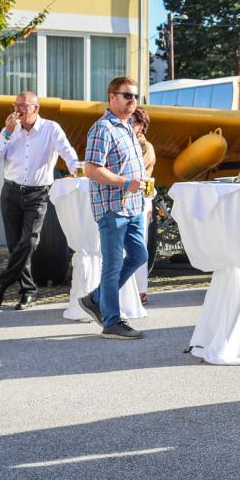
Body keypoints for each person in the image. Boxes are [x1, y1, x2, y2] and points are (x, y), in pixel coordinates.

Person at [0, 91, 80, 311]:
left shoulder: (51, 128)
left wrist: (76, 170)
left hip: (37, 194)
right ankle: (28, 291)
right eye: (15, 105)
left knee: (29, 242)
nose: (17, 110)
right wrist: (6, 134)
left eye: (23, 106)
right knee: (15, 246)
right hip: (10, 193)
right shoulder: (9, 131)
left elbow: (67, 152)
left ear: (36, 108)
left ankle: (2, 283)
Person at [79, 77, 148, 340]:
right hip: (112, 208)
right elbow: (91, 169)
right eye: (127, 95)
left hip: (133, 206)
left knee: (139, 256)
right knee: (113, 264)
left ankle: (96, 298)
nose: (133, 100)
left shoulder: (127, 126)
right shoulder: (103, 128)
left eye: (135, 96)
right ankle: (111, 322)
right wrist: (126, 183)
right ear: (112, 97)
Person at [131, 106, 154, 306]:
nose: (130, 124)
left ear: (141, 125)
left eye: (134, 121)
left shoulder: (145, 147)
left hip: (139, 198)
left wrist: (149, 205)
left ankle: (140, 291)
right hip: (132, 196)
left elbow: (144, 178)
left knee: (138, 246)